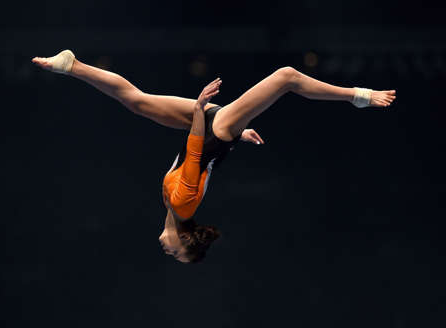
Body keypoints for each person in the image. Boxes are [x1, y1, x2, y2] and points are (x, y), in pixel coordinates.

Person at [31, 50, 396, 263]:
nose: (167, 252)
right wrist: (203, 111)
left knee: (136, 102)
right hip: (213, 127)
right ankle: (357, 95)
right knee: (287, 77)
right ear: (185, 240)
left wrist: (235, 133)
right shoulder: (184, 205)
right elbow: (193, 155)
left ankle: (72, 65)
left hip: (216, 130)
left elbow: (205, 163)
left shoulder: (174, 208)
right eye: (176, 254)